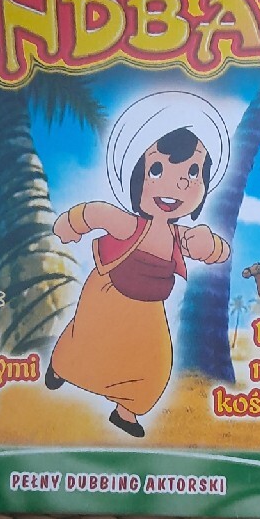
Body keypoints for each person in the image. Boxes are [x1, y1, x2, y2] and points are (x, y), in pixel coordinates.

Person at [46, 91, 231, 438]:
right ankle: (60, 367)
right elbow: (96, 213)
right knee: (88, 341)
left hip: (149, 308)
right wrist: (70, 224)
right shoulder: (130, 225)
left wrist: (211, 246)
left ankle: (126, 411)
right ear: (134, 175)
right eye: (157, 169)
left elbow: (217, 252)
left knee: (155, 363)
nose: (180, 182)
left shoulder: (179, 235)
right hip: (108, 295)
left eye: (193, 172)